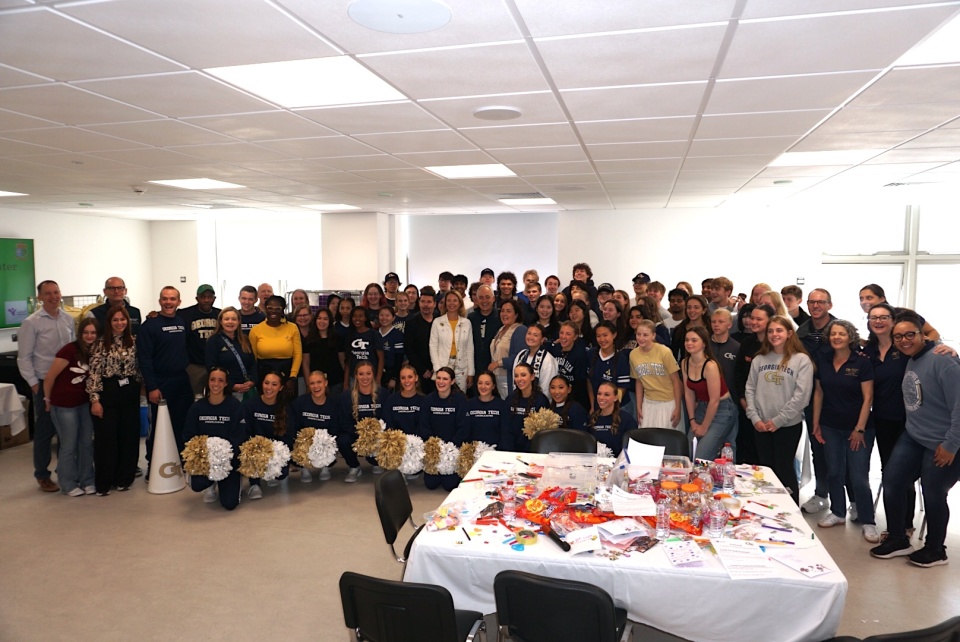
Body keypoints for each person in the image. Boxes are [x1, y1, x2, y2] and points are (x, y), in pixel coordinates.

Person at [869, 314, 960, 567]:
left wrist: (951, 444)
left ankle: (936, 549)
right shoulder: (912, 358)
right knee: (893, 481)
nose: (904, 340)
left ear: (923, 334)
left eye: (910, 334)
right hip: (913, 436)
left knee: (933, 492)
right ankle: (898, 538)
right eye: (898, 336)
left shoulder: (944, 360)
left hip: (943, 442)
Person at [812, 319, 878, 542]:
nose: (837, 337)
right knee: (834, 472)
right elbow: (819, 393)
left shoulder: (862, 362)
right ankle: (838, 512)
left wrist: (859, 429)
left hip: (858, 429)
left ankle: (868, 521)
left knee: (859, 477)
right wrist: (816, 423)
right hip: (830, 426)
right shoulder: (824, 359)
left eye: (841, 334)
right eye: (833, 334)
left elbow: (868, 397)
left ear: (850, 337)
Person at [745, 315, 814, 501]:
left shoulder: (801, 360)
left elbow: (802, 397)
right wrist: (755, 418)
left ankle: (791, 512)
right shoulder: (759, 359)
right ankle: (768, 508)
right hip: (761, 425)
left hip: (787, 425)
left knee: (784, 469)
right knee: (766, 470)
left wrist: (778, 421)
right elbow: (749, 389)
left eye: (779, 330)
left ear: (790, 333)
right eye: (771, 331)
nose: (774, 334)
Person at [18, 279, 75, 492]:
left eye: (56, 292)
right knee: (44, 430)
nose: (54, 296)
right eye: (48, 293)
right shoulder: (32, 323)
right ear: (40, 297)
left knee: (66, 430)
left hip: (65, 381)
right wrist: (35, 386)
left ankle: (65, 470)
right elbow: (23, 358)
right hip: (43, 383)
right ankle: (42, 474)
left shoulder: (68, 320)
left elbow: (72, 350)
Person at [87, 305, 142, 495]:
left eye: (123, 319)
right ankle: (104, 481)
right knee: (106, 438)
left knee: (128, 436)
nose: (120, 323)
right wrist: (95, 400)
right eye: (115, 320)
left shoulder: (134, 342)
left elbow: (139, 369)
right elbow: (93, 374)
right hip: (108, 393)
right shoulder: (100, 344)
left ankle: (124, 478)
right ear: (109, 323)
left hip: (129, 393)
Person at [137, 286, 192, 475]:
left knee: (182, 423)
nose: (169, 302)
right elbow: (144, 358)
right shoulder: (150, 325)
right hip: (160, 382)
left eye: (173, 299)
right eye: (165, 299)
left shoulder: (182, 322)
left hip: (181, 380)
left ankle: (181, 462)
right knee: (158, 426)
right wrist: (151, 387)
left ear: (179, 302)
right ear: (160, 301)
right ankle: (153, 464)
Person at [43, 317, 98, 496]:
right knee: (69, 445)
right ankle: (68, 483)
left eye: (93, 333)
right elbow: (50, 377)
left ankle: (87, 480)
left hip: (84, 404)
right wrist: (47, 400)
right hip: (64, 406)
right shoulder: (69, 350)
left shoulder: (97, 352)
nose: (89, 336)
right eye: (85, 332)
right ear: (79, 333)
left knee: (86, 444)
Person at [797, 289, 836, 513]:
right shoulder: (801, 333)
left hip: (840, 397)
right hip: (813, 397)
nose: (816, 306)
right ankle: (822, 494)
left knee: (841, 451)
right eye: (812, 302)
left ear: (829, 305)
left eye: (821, 302)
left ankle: (852, 500)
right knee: (818, 448)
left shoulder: (841, 330)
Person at [183, 367, 246, 509]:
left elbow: (240, 437)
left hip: (228, 462)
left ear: (225, 384)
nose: (216, 384)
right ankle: (209, 484)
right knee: (197, 484)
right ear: (208, 382)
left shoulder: (234, 406)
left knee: (229, 504)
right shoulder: (197, 408)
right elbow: (188, 436)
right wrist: (203, 457)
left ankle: (235, 480)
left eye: (220, 380)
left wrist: (223, 458)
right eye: (212, 379)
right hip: (205, 460)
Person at [681, 326, 739, 462]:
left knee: (700, 457)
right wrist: (692, 421)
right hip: (702, 407)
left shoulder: (710, 366)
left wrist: (704, 427)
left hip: (723, 410)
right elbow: (688, 394)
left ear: (704, 343)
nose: (689, 343)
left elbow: (715, 400)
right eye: (687, 340)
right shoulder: (685, 363)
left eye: (694, 340)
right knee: (689, 453)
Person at [734, 304, 775, 465]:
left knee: (769, 458)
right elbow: (739, 374)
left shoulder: (776, 346)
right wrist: (744, 402)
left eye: (759, 319)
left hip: (770, 411)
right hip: (748, 407)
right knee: (748, 452)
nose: (754, 322)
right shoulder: (747, 343)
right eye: (752, 318)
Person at [337, 362, 391, 482]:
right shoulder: (346, 396)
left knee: (375, 459)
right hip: (356, 434)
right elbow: (344, 422)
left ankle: (375, 462)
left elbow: (388, 418)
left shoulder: (384, 394)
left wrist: (375, 435)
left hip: (377, 436)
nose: (365, 377)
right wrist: (362, 435)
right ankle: (354, 466)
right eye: (361, 374)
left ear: (373, 375)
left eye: (368, 373)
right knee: (343, 440)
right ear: (356, 375)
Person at [243, 370, 291, 499]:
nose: (269, 387)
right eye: (266, 383)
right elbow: (245, 432)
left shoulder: (286, 408)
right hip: (255, 449)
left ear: (280, 388)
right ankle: (254, 484)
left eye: (274, 384)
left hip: (275, 450)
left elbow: (288, 437)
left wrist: (274, 452)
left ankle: (271, 473)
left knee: (281, 475)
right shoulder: (250, 405)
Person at [418, 367, 467, 491]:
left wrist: (450, 447)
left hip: (452, 449)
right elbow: (424, 425)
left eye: (445, 379)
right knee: (431, 484)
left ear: (452, 381)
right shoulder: (428, 400)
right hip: (434, 449)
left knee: (450, 485)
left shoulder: (460, 400)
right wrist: (434, 446)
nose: (441, 382)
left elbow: (463, 427)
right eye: (438, 378)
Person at [289, 370, 340, 482]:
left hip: (324, 442)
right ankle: (304, 467)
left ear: (325, 383)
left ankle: (325, 466)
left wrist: (324, 440)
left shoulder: (334, 403)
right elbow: (294, 426)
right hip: (305, 441)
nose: (316, 386)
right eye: (312, 383)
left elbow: (335, 428)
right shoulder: (299, 402)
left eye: (319, 382)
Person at [630, 320, 682, 430]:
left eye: (645, 335)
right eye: (638, 334)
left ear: (653, 336)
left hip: (668, 402)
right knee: (647, 440)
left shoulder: (664, 352)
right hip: (648, 403)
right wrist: (639, 406)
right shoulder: (633, 354)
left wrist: (678, 407)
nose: (641, 338)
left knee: (665, 439)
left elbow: (676, 381)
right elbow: (639, 382)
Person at [248, 295, 302, 395]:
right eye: (270, 308)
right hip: (264, 375)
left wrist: (293, 377)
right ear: (265, 308)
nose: (273, 311)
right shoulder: (256, 330)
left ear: (283, 310)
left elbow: (298, 354)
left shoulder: (292, 328)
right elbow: (253, 358)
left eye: (278, 309)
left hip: (288, 375)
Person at [205, 307, 257, 400]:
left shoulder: (244, 339)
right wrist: (231, 385)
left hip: (247, 388)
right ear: (220, 321)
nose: (230, 322)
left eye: (234, 319)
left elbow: (253, 362)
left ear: (238, 321)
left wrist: (252, 381)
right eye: (226, 319)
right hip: (226, 390)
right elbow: (211, 367)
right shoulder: (213, 341)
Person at [429, 290, 474, 392]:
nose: (451, 303)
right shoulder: (437, 322)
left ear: (460, 303)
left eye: (455, 300)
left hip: (461, 368)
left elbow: (470, 349)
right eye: (449, 300)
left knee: (460, 398)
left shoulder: (467, 323)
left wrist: (471, 372)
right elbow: (433, 347)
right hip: (443, 366)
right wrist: (437, 369)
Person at [859, 283, 940, 341]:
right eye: (861, 299)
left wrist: (926, 349)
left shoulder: (904, 314)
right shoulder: (872, 322)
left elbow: (933, 332)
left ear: (882, 299)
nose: (863, 302)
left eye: (869, 298)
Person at [179, 284, 220, 397]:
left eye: (209, 297)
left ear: (214, 299)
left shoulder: (220, 314)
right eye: (203, 297)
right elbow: (168, 314)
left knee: (216, 396)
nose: (206, 300)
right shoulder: (185, 314)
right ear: (197, 298)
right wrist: (154, 314)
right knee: (194, 397)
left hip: (216, 365)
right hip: (195, 366)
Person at [588, 321, 630, 411]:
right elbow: (589, 382)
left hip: (618, 408)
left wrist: (611, 410)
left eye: (605, 335)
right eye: (598, 336)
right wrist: (592, 405)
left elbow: (622, 389)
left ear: (614, 335)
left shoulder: (621, 359)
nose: (602, 339)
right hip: (597, 406)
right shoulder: (591, 354)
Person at [488, 299, 526, 400]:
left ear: (516, 314)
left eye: (508, 311)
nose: (504, 314)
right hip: (497, 377)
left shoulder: (520, 330)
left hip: (509, 378)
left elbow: (520, 357)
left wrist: (498, 363)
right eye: (502, 311)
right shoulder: (501, 329)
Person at [302, 309, 344, 399]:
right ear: (315, 320)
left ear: (330, 321)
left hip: (336, 381)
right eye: (319, 318)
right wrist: (308, 383)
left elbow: (342, 361)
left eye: (325, 319)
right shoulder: (308, 340)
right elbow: (305, 363)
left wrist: (346, 382)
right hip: (315, 383)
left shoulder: (338, 338)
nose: (322, 321)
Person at [588, 381, 638, 457]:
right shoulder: (591, 418)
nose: (601, 397)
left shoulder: (627, 419)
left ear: (615, 397)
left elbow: (632, 447)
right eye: (599, 393)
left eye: (606, 395)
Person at [507, 363, 549, 452]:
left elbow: (542, 432)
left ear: (532, 377)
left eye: (523, 375)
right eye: (516, 376)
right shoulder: (510, 399)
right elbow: (506, 428)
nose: (519, 379)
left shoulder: (541, 400)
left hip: (533, 451)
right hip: (511, 451)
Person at [404, 286, 438, 394]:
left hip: (438, 370)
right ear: (419, 303)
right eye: (423, 301)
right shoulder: (411, 322)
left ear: (434, 304)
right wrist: (423, 370)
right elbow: (409, 349)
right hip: (419, 371)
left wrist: (436, 367)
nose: (426, 305)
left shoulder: (440, 320)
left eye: (429, 302)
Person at [464, 371, 510, 449]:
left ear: (493, 386)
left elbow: (505, 433)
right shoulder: (469, 404)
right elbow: (465, 430)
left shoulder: (502, 405)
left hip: (495, 452)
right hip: (473, 452)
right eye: (480, 383)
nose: (483, 387)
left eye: (487, 384)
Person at [468, 285, 502, 393]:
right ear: (476, 300)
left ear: (493, 298)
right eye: (481, 298)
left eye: (487, 297)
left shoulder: (501, 317)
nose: (484, 301)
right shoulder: (471, 318)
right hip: (475, 366)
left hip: (495, 368)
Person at [551, 321, 590, 410]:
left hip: (576, 399)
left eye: (568, 334)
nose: (563, 337)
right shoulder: (555, 349)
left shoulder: (580, 354)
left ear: (575, 337)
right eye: (561, 333)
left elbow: (580, 383)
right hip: (558, 396)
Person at [512, 324, 558, 399]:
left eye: (535, 335)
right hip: (520, 400)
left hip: (539, 402)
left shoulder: (548, 360)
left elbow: (546, 388)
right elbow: (515, 381)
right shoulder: (521, 355)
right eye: (529, 333)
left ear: (542, 339)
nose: (531, 337)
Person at [343, 305, 384, 388]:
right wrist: (346, 382)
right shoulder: (349, 335)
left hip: (371, 376)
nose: (357, 319)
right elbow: (348, 361)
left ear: (365, 318)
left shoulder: (374, 334)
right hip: (353, 378)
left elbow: (381, 358)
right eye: (354, 316)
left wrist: (378, 378)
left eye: (360, 316)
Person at [383, 364, 423, 440]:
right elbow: (387, 424)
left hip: (418, 445)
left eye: (410, 377)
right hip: (396, 445)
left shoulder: (424, 401)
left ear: (416, 378)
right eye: (403, 378)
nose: (406, 381)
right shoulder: (392, 400)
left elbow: (425, 427)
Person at [710, 308, 740, 396]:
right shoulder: (704, 346)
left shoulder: (737, 347)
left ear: (729, 325)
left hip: (729, 397)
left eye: (721, 322)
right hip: (706, 396)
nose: (716, 325)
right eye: (713, 322)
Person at [671, 294, 709, 363]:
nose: (692, 310)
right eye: (689, 307)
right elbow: (674, 355)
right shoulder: (679, 330)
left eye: (696, 307)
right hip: (685, 368)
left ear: (704, 310)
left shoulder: (711, 328)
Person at [376, 306, 404, 390]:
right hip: (375, 373)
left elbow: (399, 358)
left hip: (390, 374)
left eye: (387, 315)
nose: (384, 318)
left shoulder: (397, 335)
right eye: (381, 315)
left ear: (393, 318)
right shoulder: (374, 333)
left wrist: (394, 378)